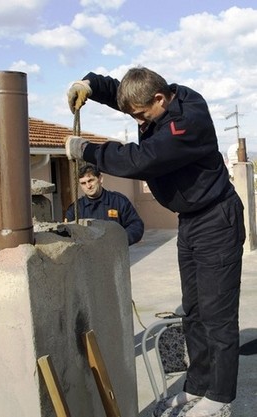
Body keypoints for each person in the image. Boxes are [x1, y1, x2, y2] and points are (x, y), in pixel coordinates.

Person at [66, 67, 245, 417]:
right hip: (191, 222)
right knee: (193, 311)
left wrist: (88, 150)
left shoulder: (187, 124)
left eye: (141, 115)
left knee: (217, 315)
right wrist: (89, 84)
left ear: (160, 100)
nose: (138, 121)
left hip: (216, 220)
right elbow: (124, 92)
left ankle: (221, 396)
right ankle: (198, 386)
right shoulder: (159, 97)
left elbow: (141, 160)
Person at [65, 163, 144, 246]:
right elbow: (67, 234)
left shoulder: (118, 201)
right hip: (87, 256)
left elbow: (136, 225)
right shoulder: (75, 209)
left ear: (100, 179)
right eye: (83, 183)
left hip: (115, 254)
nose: (88, 186)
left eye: (91, 180)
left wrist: (120, 240)